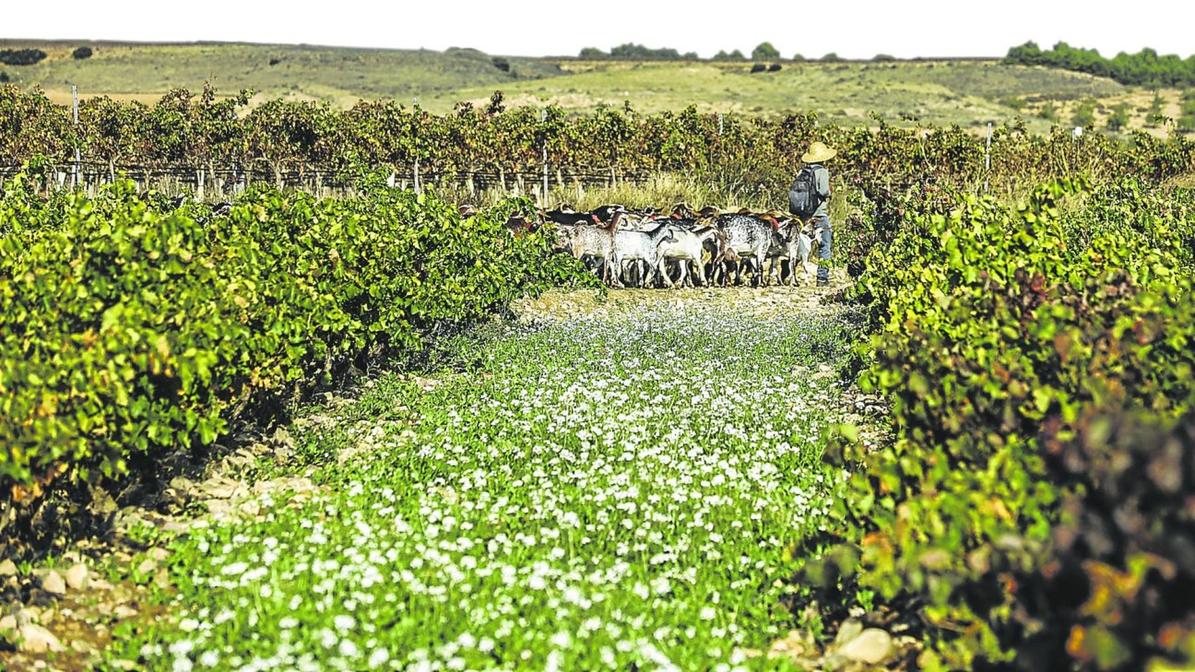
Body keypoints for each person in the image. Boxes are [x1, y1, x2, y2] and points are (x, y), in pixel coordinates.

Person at [799, 141, 835, 286]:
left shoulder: (802, 172)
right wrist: (829, 193)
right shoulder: (822, 171)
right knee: (825, 245)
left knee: (801, 244)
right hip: (819, 214)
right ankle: (822, 278)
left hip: (804, 216)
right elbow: (823, 191)